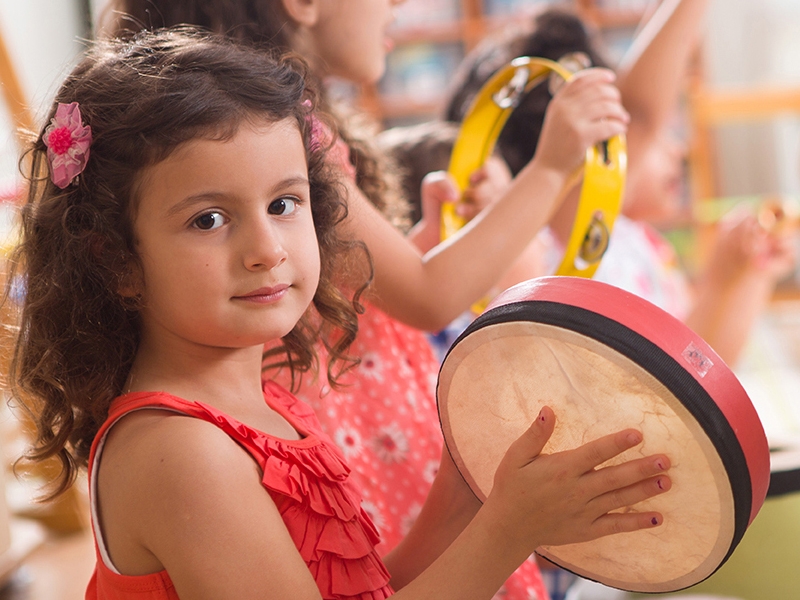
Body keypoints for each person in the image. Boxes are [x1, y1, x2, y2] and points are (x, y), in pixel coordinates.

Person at [3, 28, 672, 600]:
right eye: (209, 219)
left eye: (284, 204)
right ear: (116, 259)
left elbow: (368, 590)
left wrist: (462, 498)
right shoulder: (180, 452)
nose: (266, 250)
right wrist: (507, 531)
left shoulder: (267, 410)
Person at [443, 1, 796, 368]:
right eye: (658, 136)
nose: (677, 149)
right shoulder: (556, 237)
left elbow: (701, 371)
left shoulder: (639, 244)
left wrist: (740, 278)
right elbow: (642, 113)